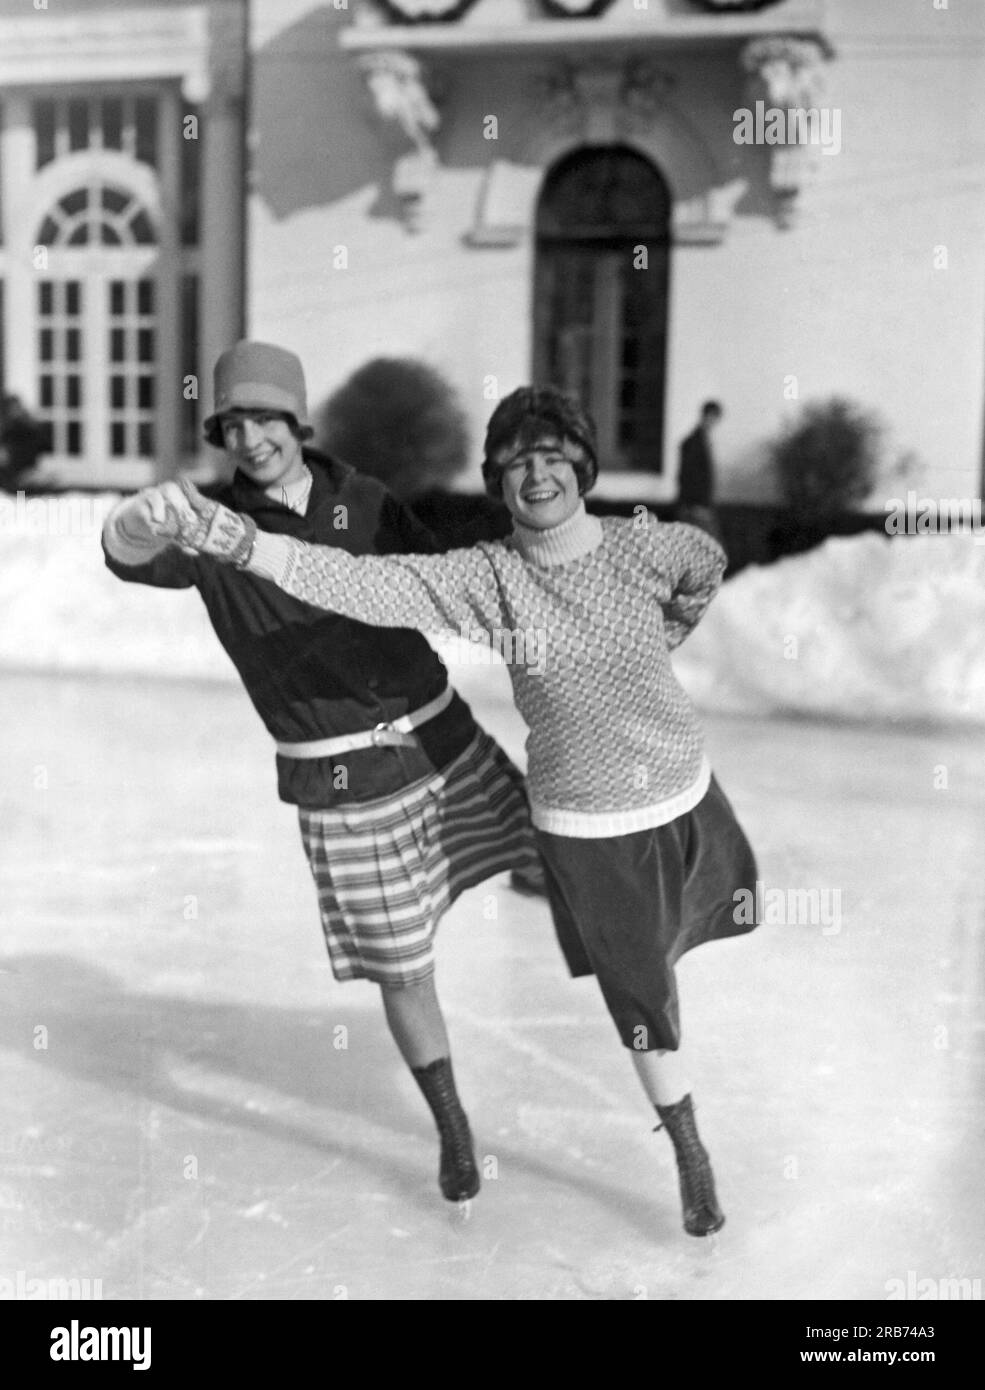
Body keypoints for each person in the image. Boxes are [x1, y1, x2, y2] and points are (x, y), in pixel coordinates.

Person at [151, 385, 761, 1238]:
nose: (535, 474)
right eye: (516, 463)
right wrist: (247, 546)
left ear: (582, 468)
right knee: (643, 1003)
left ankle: (578, 924)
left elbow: (704, 562)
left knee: (686, 943)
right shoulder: (489, 578)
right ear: (498, 482)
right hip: (588, 827)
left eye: (552, 457)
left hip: (687, 796)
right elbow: (361, 581)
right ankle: (691, 1154)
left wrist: (667, 633)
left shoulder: (639, 549)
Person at [100, 341, 545, 1205]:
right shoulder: (205, 529)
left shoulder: (366, 503)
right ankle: (453, 1130)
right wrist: (135, 523)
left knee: (559, 863)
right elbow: (122, 558)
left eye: (266, 418)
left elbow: (446, 587)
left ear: (296, 421)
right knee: (405, 970)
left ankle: (639, 1018)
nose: (252, 438)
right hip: (344, 785)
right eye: (234, 424)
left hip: (442, 740)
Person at [677, 400, 724, 544]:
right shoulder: (693, 442)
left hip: (700, 505)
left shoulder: (702, 440)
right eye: (713, 417)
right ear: (706, 416)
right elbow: (687, 476)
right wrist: (696, 505)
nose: (714, 422)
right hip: (696, 507)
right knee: (707, 547)